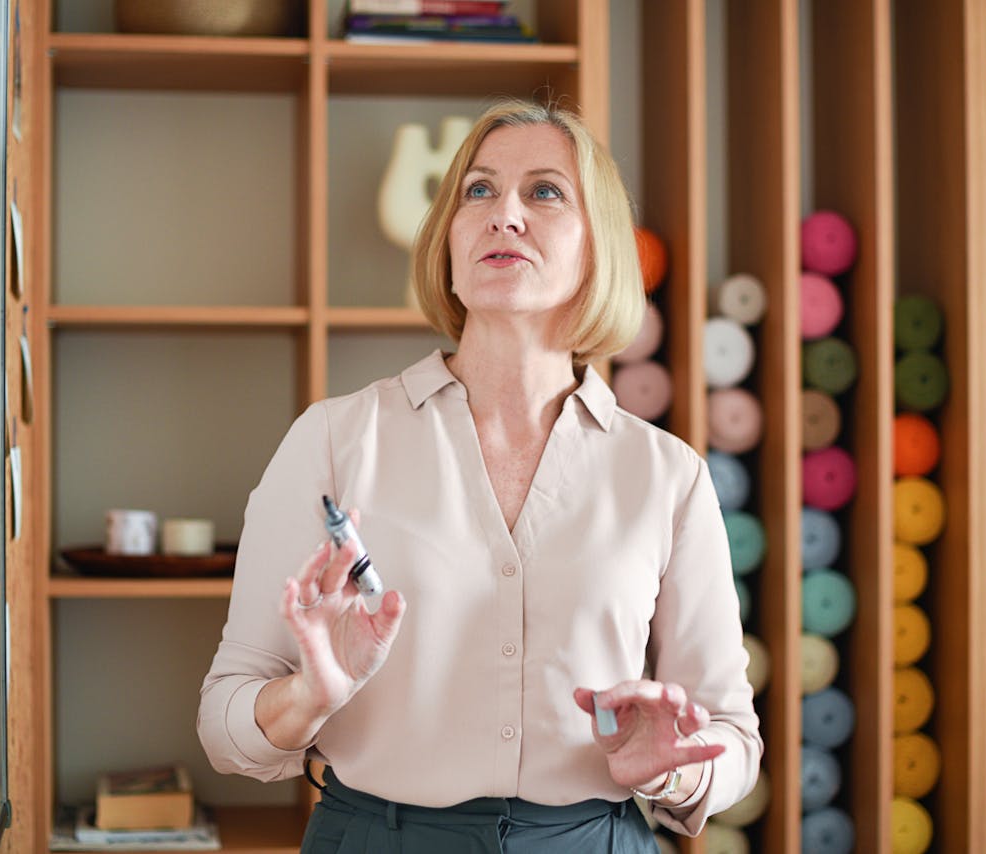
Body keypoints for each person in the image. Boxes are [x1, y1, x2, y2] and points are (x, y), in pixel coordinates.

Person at [198, 98, 762, 853]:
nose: (505, 215)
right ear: (448, 241)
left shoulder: (667, 475)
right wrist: (307, 697)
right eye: (479, 190)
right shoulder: (333, 440)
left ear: (601, 247)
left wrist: (678, 773)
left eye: (545, 191)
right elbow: (223, 719)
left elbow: (734, 737)